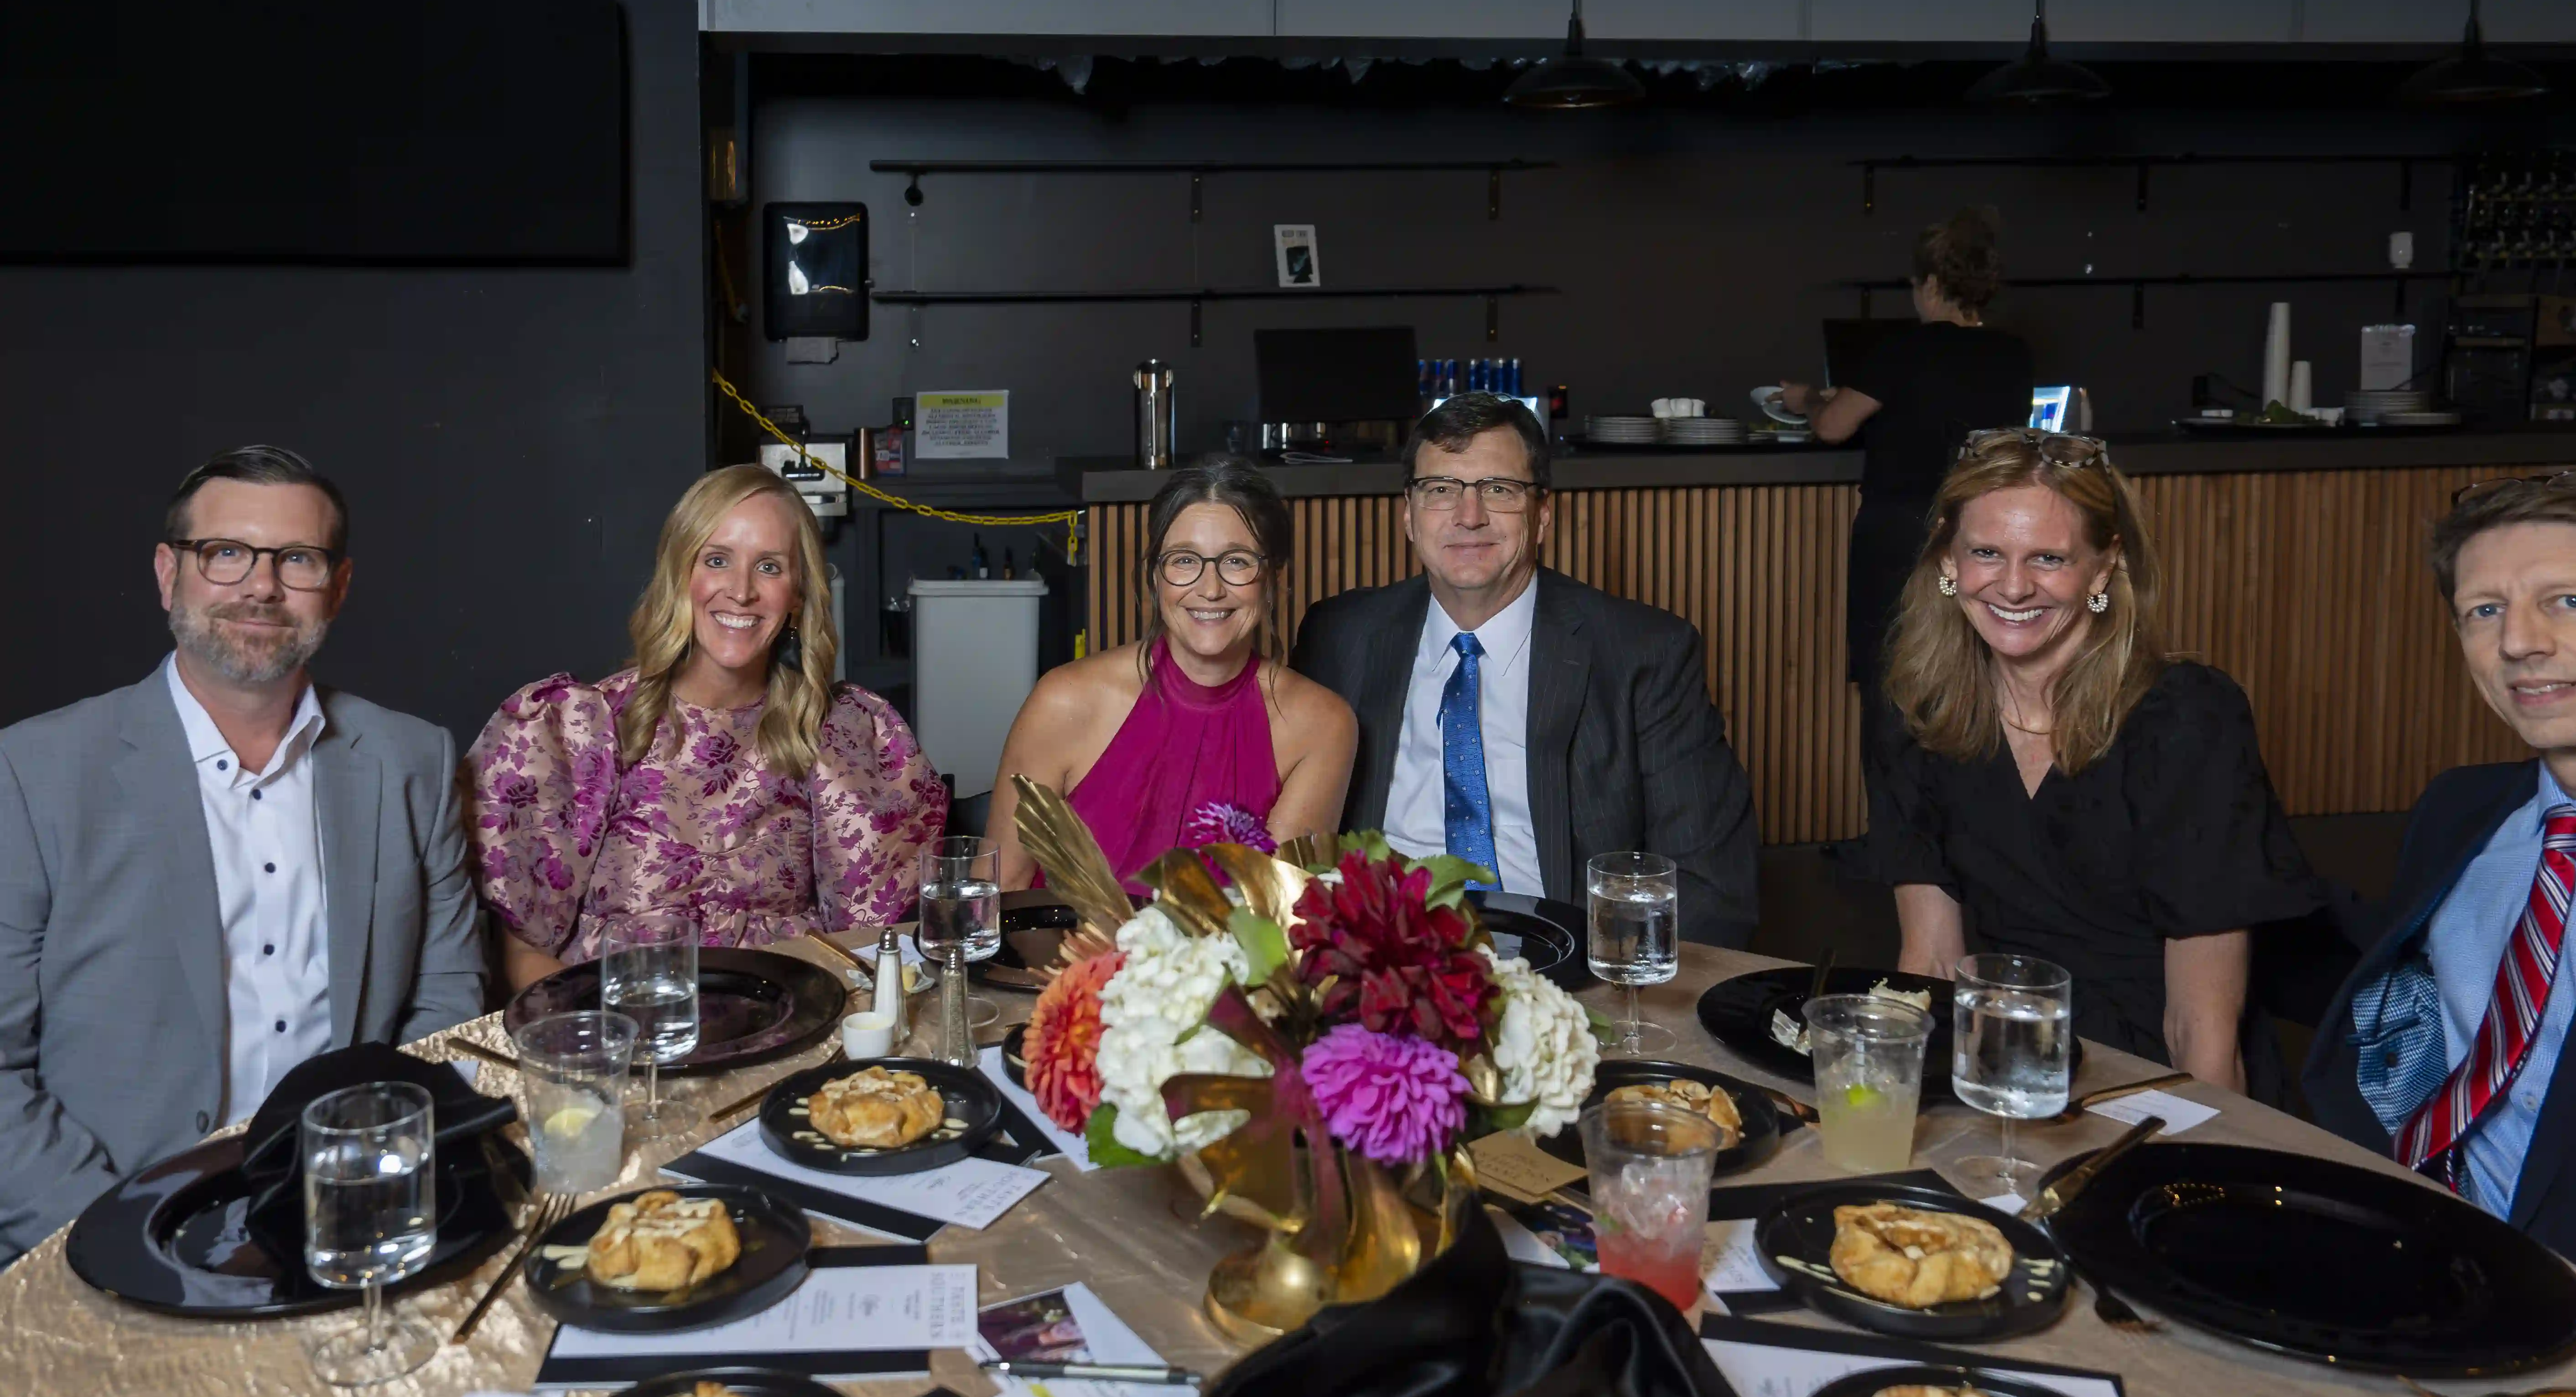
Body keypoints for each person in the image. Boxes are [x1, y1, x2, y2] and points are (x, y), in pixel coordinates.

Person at [0, 446, 483, 1256]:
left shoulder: (413, 762)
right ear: (168, 573)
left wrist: (367, 1177)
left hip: (347, 1215)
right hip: (102, 1228)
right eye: (225, 554)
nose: (261, 586)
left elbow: (447, 1000)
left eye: (296, 559)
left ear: (338, 586)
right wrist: (115, 1235)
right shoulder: (32, 773)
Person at [2303, 469, 2576, 1364]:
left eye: (2569, 601)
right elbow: (2394, 1015)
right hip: (2413, 1282)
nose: (2521, 644)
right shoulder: (2462, 812)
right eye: (2484, 611)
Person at [1870, 429, 2325, 1095]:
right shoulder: (1917, 709)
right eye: (1986, 553)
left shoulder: (2188, 718)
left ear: (2104, 567)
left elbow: (2200, 1024)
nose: (2015, 587)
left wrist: (2199, 1164)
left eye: (2049, 558)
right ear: (1947, 557)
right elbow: (1933, 961)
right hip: (2007, 1063)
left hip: (2156, 1078)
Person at [1290, 394, 1762, 947]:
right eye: (1441, 490)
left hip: (1567, 970)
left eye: (1499, 490)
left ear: (1542, 516)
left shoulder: (1643, 652)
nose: (1470, 517)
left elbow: (1711, 889)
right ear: (1409, 515)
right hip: (1381, 961)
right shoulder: (1339, 636)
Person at [467, 464, 946, 990]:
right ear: (680, 576)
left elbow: (876, 946)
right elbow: (520, 949)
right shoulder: (578, 728)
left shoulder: (841, 732)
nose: (741, 592)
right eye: (717, 560)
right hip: (622, 1040)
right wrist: (599, 1041)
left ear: (798, 598)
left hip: (788, 1025)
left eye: (769, 567)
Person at [984, 463, 1356, 889]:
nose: (1210, 588)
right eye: (1184, 561)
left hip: (1230, 956)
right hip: (1055, 954)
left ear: (1271, 578)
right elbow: (998, 893)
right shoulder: (1065, 700)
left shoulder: (1323, 723)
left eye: (1237, 561)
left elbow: (1277, 917)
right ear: (1156, 577)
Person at [1779, 208, 2034, 682]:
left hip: (1902, 535)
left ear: (1933, 285)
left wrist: (1808, 399)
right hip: (1982, 536)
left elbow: (1833, 426)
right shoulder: (2014, 356)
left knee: (1891, 679)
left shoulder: (1903, 349)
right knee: (1968, 677)